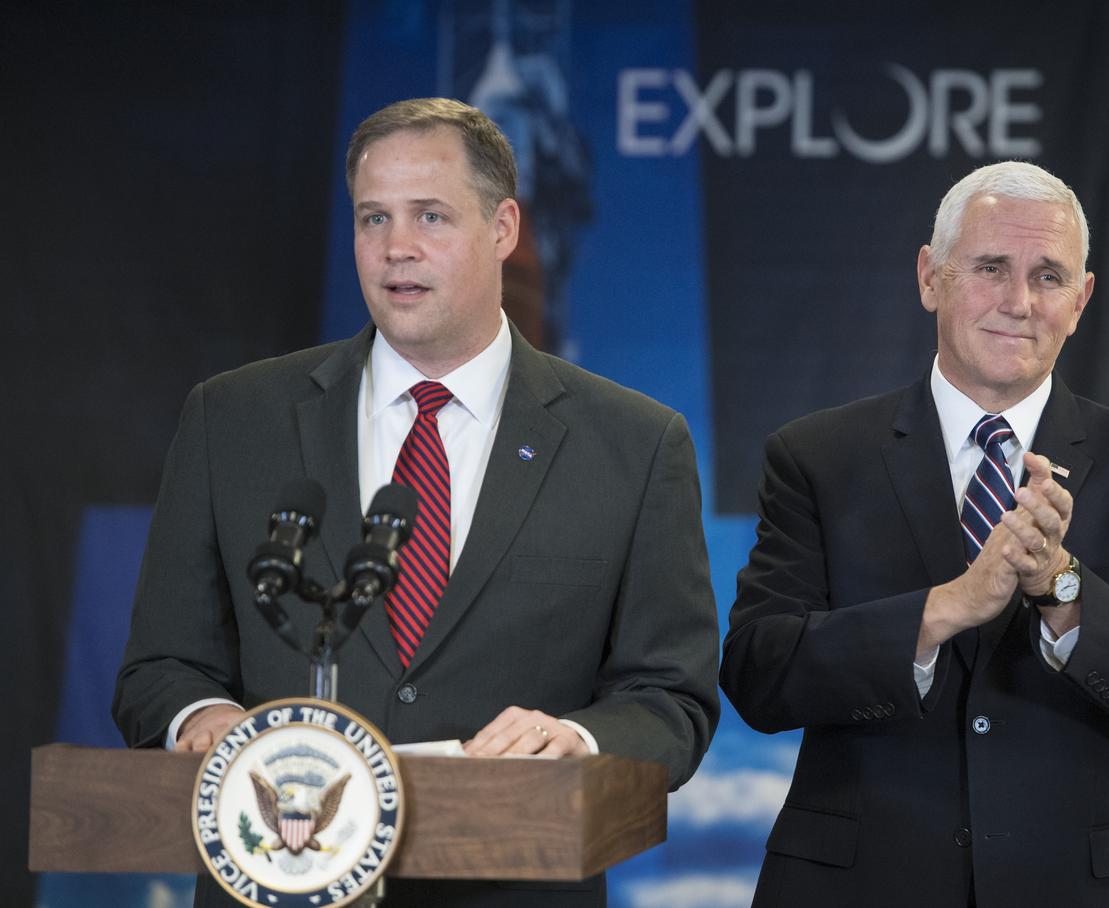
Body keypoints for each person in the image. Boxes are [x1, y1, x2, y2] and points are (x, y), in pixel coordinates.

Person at [113, 98, 719, 907]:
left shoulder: (635, 444)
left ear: (504, 228)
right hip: (277, 878)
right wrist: (207, 720)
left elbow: (671, 699)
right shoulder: (233, 419)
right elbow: (159, 666)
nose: (396, 248)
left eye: (430, 215)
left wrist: (576, 737)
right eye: (373, 219)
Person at [720, 161, 1109, 908]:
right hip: (865, 886)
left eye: (1049, 276)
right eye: (991, 267)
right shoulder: (816, 458)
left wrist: (1060, 586)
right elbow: (760, 675)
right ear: (932, 278)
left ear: (1081, 299)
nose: (1019, 302)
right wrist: (949, 606)